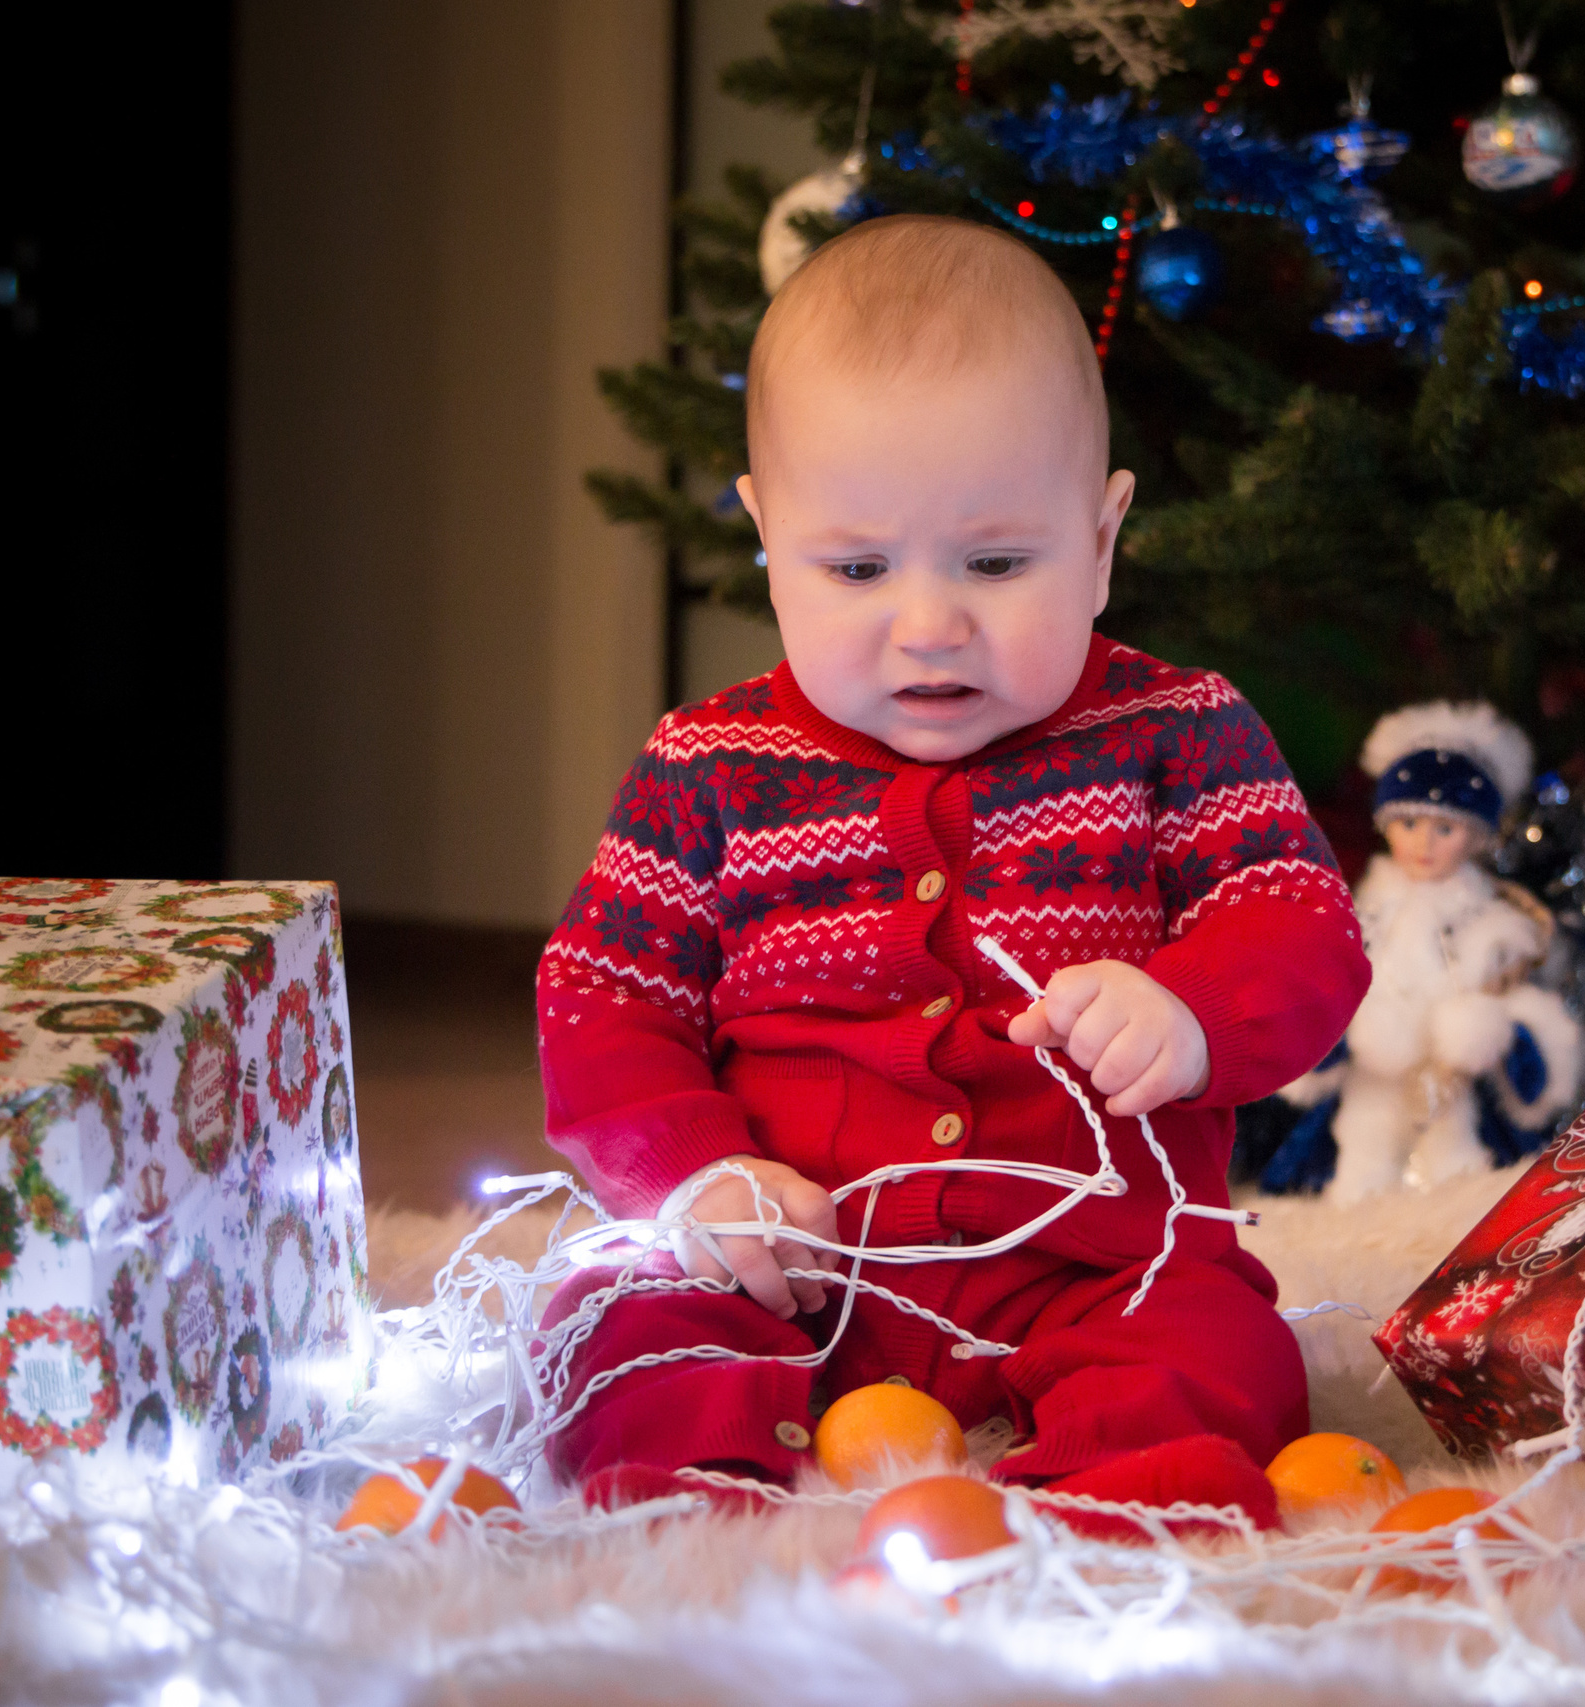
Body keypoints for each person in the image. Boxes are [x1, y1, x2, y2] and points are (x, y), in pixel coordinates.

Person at [535, 215, 1369, 1528]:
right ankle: (690, 1519)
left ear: (1100, 537)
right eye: (857, 566)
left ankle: (1112, 1522)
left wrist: (1195, 1010)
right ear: (767, 533)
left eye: (997, 561)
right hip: (798, 1259)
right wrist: (698, 1173)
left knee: (1223, 1346)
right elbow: (604, 992)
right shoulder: (709, 764)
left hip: (1094, 1260)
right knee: (628, 1320)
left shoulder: (1175, 729)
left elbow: (1297, 911)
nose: (929, 622)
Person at [1274, 702, 1582, 1206]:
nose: (1425, 843)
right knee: (1359, 1180)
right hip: (1370, 1092)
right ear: (1384, 824)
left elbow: (1528, 1034)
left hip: (1455, 1096)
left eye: (1446, 828)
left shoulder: (1496, 928)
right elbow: (1320, 1004)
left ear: (1477, 836)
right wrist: (1350, 1031)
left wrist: (1487, 1029)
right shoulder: (1357, 917)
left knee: (1461, 1191)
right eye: (1410, 822)